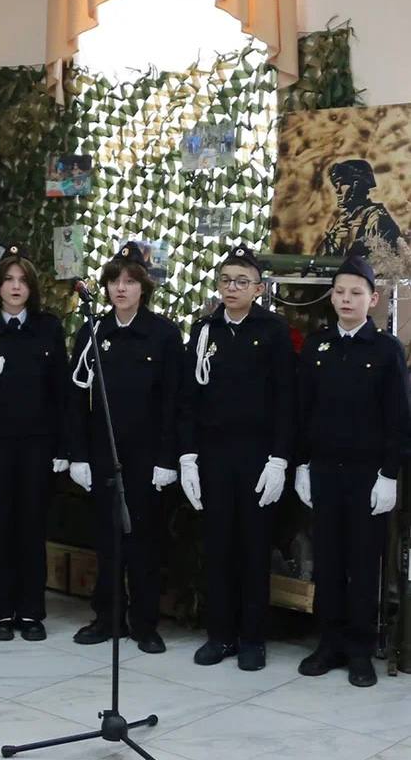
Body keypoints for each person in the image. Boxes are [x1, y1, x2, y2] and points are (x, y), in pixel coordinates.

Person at [178, 245, 295, 671]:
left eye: (242, 281)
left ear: (258, 289)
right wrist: (187, 456)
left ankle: (252, 639)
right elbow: (188, 399)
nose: (232, 288)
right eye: (226, 280)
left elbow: (287, 401)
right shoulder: (205, 330)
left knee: (253, 548)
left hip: (257, 456)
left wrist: (280, 459)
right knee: (217, 547)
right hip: (214, 455)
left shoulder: (274, 331)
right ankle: (220, 635)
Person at [295, 255, 411, 687]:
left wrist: (389, 474)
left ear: (372, 299)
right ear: (332, 297)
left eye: (356, 293)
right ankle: (328, 643)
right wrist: (302, 464)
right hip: (324, 470)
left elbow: (398, 418)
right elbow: (303, 410)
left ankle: (360, 650)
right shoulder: (317, 346)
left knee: (363, 564)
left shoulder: (385, 349)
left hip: (367, 475)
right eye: (340, 292)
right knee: (326, 561)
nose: (347, 299)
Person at [66, 242, 183, 653]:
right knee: (107, 540)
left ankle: (145, 623)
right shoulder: (94, 331)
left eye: (130, 281)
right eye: (114, 281)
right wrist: (78, 455)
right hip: (103, 453)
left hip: (147, 456)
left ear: (143, 288)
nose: (121, 288)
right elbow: (77, 398)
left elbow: (174, 403)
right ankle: (107, 617)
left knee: (144, 541)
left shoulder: (164, 334)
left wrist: (168, 459)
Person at [0, 246, 68, 642]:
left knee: (31, 528)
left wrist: (64, 449)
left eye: (22, 280)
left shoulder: (48, 328)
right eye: (8, 280)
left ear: (32, 287)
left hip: (38, 445)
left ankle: (31, 612)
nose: (16, 287)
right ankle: (1, 612)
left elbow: (62, 394)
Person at [320, 160, 401, 256]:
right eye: (336, 185)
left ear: (358, 184)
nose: (337, 191)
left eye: (343, 183)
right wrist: (332, 243)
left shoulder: (375, 216)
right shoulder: (343, 219)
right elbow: (319, 260)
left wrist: (351, 242)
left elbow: (382, 259)